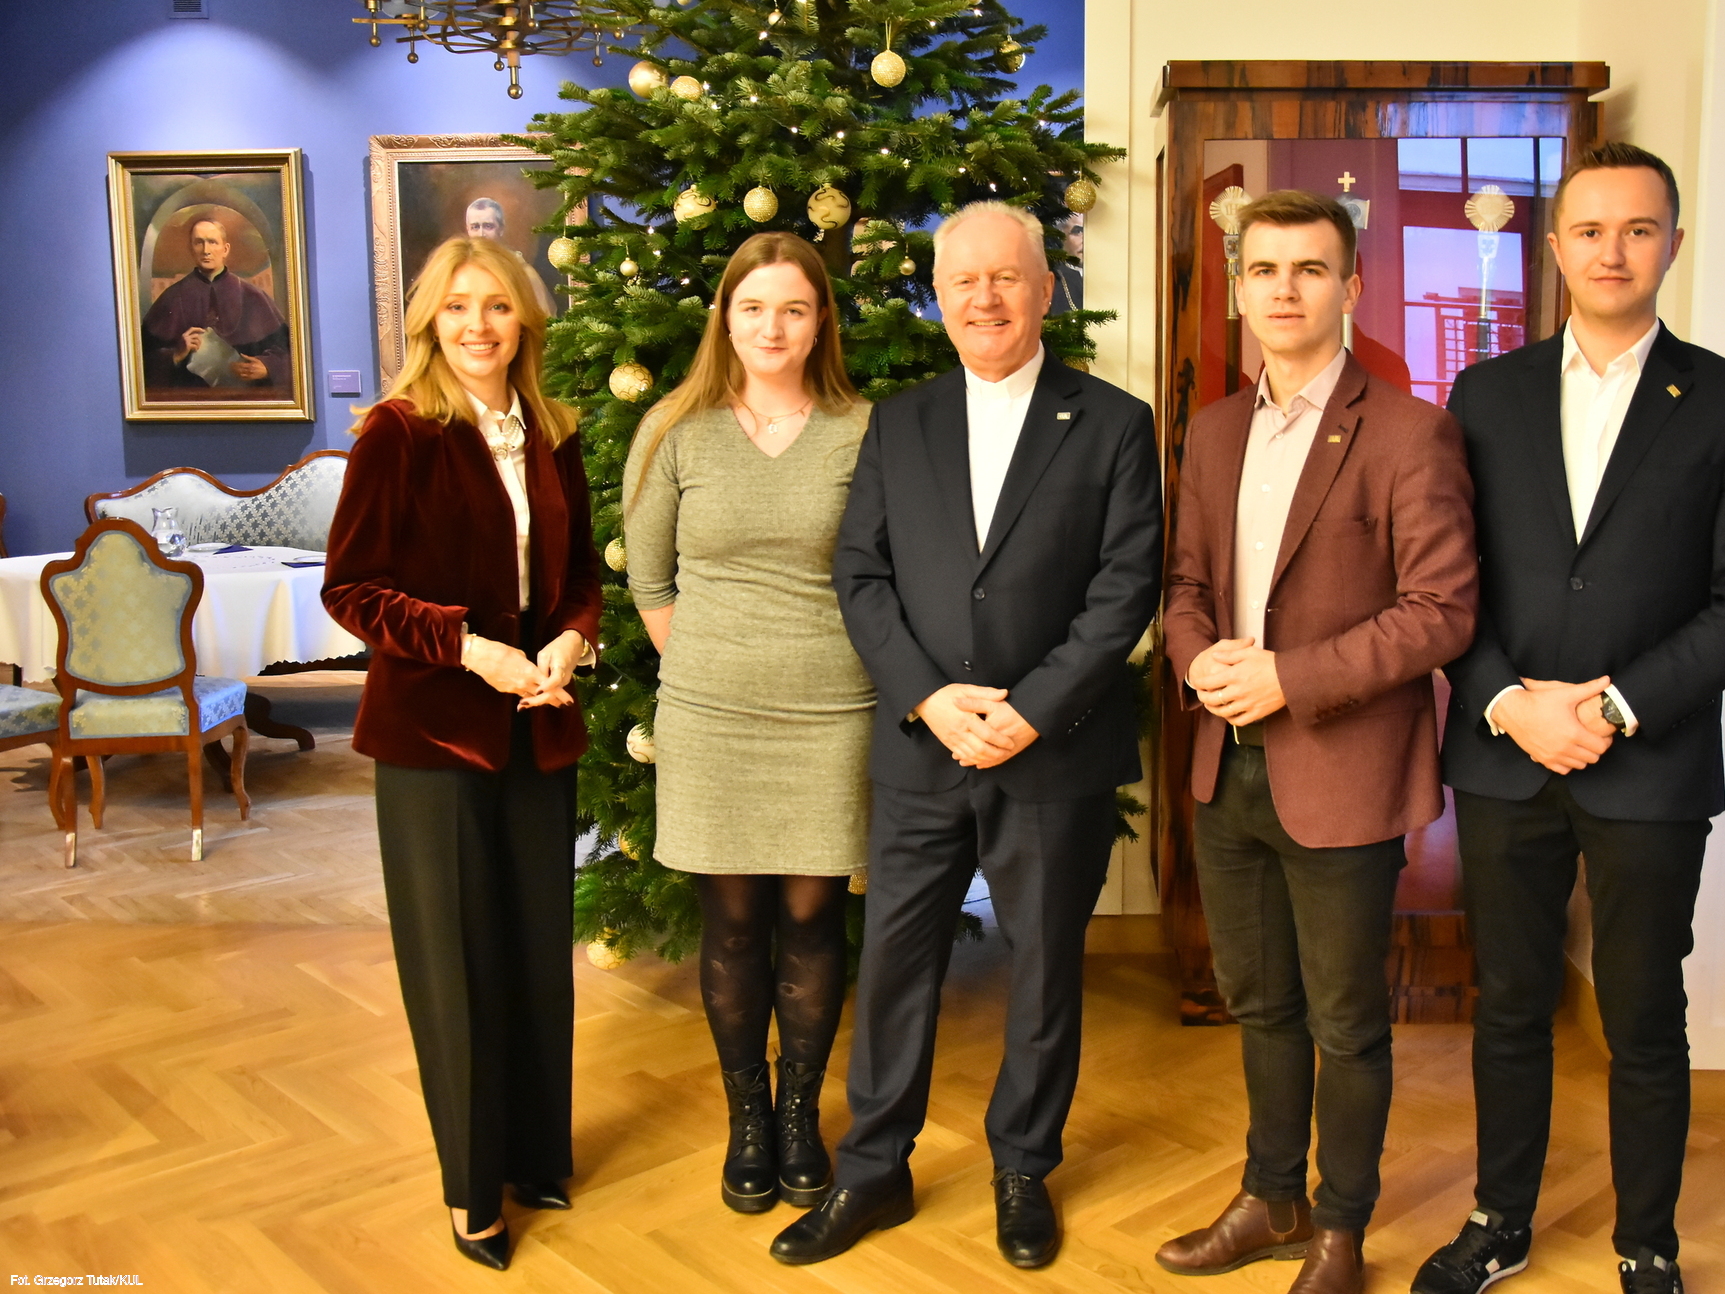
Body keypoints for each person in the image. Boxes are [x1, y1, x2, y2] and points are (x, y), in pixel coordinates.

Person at [1411, 143, 1725, 1294]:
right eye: (1590, 230)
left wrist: (1617, 707)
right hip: (1507, 756)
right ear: (1556, 247)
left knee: (1642, 1015)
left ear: (1673, 244)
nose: (1612, 250)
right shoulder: (1486, 395)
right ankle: (1500, 1221)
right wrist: (1508, 703)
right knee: (1510, 1007)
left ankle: (1648, 1243)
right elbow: (1447, 584)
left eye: (1638, 229)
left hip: (1653, 764)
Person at [769, 202, 1163, 1270]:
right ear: (937, 298)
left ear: (1044, 288)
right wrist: (928, 698)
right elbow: (861, 572)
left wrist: (1030, 708)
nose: (984, 298)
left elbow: (1125, 588)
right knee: (896, 963)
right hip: (921, 745)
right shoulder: (900, 423)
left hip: (1054, 749)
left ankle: (1023, 1167)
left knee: (1043, 968)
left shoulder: (1115, 423)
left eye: (1005, 277)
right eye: (962, 282)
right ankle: (873, 1170)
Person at [1159, 189, 1479, 1294]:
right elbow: (1184, 585)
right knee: (1259, 1002)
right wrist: (1198, 659)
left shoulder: (1410, 432)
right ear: (1238, 288)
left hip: (1343, 770)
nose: (1284, 290)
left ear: (1352, 287)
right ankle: (1271, 1198)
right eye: (1264, 270)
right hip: (1227, 767)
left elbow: (1441, 612)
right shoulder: (1213, 432)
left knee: (1346, 1020)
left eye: (1309, 269)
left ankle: (1340, 1228)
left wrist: (1288, 679)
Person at [322, 234, 602, 1273]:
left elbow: (579, 576)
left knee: (534, 952)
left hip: (537, 720)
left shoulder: (554, 432)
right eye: (456, 308)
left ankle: (534, 1157)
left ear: (524, 320)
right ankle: (471, 1188)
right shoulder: (398, 433)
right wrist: (468, 648)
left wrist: (572, 639)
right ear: (428, 325)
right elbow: (350, 589)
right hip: (433, 734)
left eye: (496, 306)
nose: (478, 325)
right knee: (456, 965)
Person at [622, 231, 872, 1216]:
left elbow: (886, 573)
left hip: (832, 712)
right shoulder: (675, 429)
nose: (773, 327)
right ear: (725, 317)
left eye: (794, 309)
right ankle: (748, 1118)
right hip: (712, 716)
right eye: (754, 307)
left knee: (811, 918)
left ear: (821, 322)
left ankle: (801, 1112)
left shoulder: (863, 430)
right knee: (731, 926)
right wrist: (708, 665)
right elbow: (649, 579)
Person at [141, 214, 291, 393]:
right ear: (191, 248)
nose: (206, 250)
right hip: (188, 399)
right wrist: (175, 355)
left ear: (225, 249)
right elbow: (140, 359)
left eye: (212, 242)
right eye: (199, 242)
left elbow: (289, 351)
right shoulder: (172, 297)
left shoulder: (253, 296)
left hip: (244, 399)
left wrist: (267, 367)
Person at [465, 197, 556, 314]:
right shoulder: (460, 270)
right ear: (468, 229)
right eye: (475, 227)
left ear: (501, 229)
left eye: (488, 226)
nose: (481, 234)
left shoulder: (523, 273)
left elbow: (542, 317)